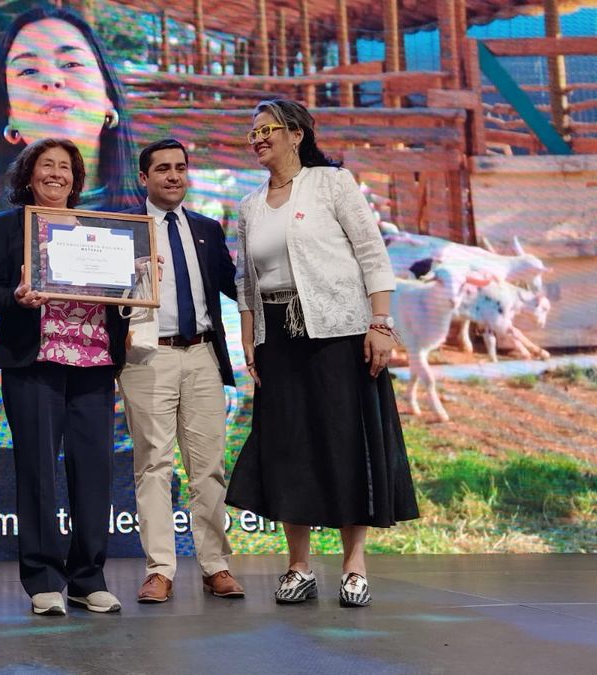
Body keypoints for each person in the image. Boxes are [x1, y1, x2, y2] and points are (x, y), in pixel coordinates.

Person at [225, 99, 419, 608]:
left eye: (266, 129)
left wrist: (380, 323)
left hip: (341, 333)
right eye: (252, 133)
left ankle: (353, 565)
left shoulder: (333, 183)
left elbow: (372, 253)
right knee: (291, 447)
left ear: (297, 134)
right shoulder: (248, 205)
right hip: (279, 341)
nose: (257, 139)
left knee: (345, 442)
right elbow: (247, 282)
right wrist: (249, 340)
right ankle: (299, 566)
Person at [0, 138, 128, 616]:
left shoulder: (102, 230)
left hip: (94, 365)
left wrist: (137, 288)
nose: (57, 174)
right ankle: (42, 578)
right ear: (29, 174)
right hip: (34, 362)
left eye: (66, 167)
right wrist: (16, 299)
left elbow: (120, 297)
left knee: (94, 474)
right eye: (47, 166)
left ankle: (88, 577)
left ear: (76, 179)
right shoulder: (6, 227)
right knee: (38, 472)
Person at [117, 139, 244, 604]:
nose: (173, 176)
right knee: (153, 465)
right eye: (163, 169)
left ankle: (216, 566)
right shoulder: (123, 229)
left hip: (202, 355)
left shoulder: (208, 229)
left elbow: (236, 289)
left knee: (208, 467)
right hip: (148, 356)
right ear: (144, 178)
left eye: (181, 168)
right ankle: (160, 570)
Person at [0, 6, 140, 212]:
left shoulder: (159, 217)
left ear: (107, 96)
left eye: (71, 64)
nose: (52, 79)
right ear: (9, 112)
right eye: (29, 70)